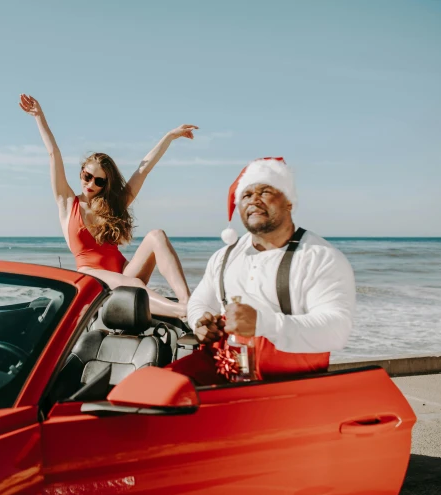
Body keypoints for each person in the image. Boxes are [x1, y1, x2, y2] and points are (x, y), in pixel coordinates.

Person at [19, 93, 195, 319]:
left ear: (105, 184)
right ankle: (184, 312)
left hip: (126, 275)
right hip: (93, 279)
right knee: (127, 282)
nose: (91, 184)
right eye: (87, 176)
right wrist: (39, 117)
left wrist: (169, 137)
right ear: (82, 172)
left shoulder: (112, 205)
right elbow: (54, 154)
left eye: (99, 181)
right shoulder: (67, 203)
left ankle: (187, 301)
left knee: (156, 236)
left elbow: (143, 169)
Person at [185, 157, 356, 380]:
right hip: (223, 370)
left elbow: (337, 330)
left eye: (265, 191)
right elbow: (199, 303)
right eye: (246, 195)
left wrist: (263, 324)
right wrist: (201, 323)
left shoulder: (320, 257)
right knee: (154, 390)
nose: (254, 200)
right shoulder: (223, 257)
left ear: (289, 202)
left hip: (289, 383)